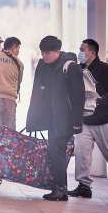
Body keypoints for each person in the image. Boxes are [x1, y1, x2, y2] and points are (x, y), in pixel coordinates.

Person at [69, 38, 108, 200]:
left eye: (82, 49)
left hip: (105, 119)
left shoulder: (106, 69)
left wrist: (99, 102)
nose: (80, 52)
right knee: (82, 152)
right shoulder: (77, 70)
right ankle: (84, 185)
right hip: (85, 120)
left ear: (92, 52)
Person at [26, 36, 85, 201]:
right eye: (42, 52)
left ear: (58, 51)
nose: (44, 55)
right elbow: (37, 91)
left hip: (66, 119)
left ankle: (60, 188)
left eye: (48, 52)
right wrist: (33, 118)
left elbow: (78, 96)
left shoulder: (70, 66)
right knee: (55, 151)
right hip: (50, 118)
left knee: (54, 149)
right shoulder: (42, 65)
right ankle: (59, 188)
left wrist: (76, 121)